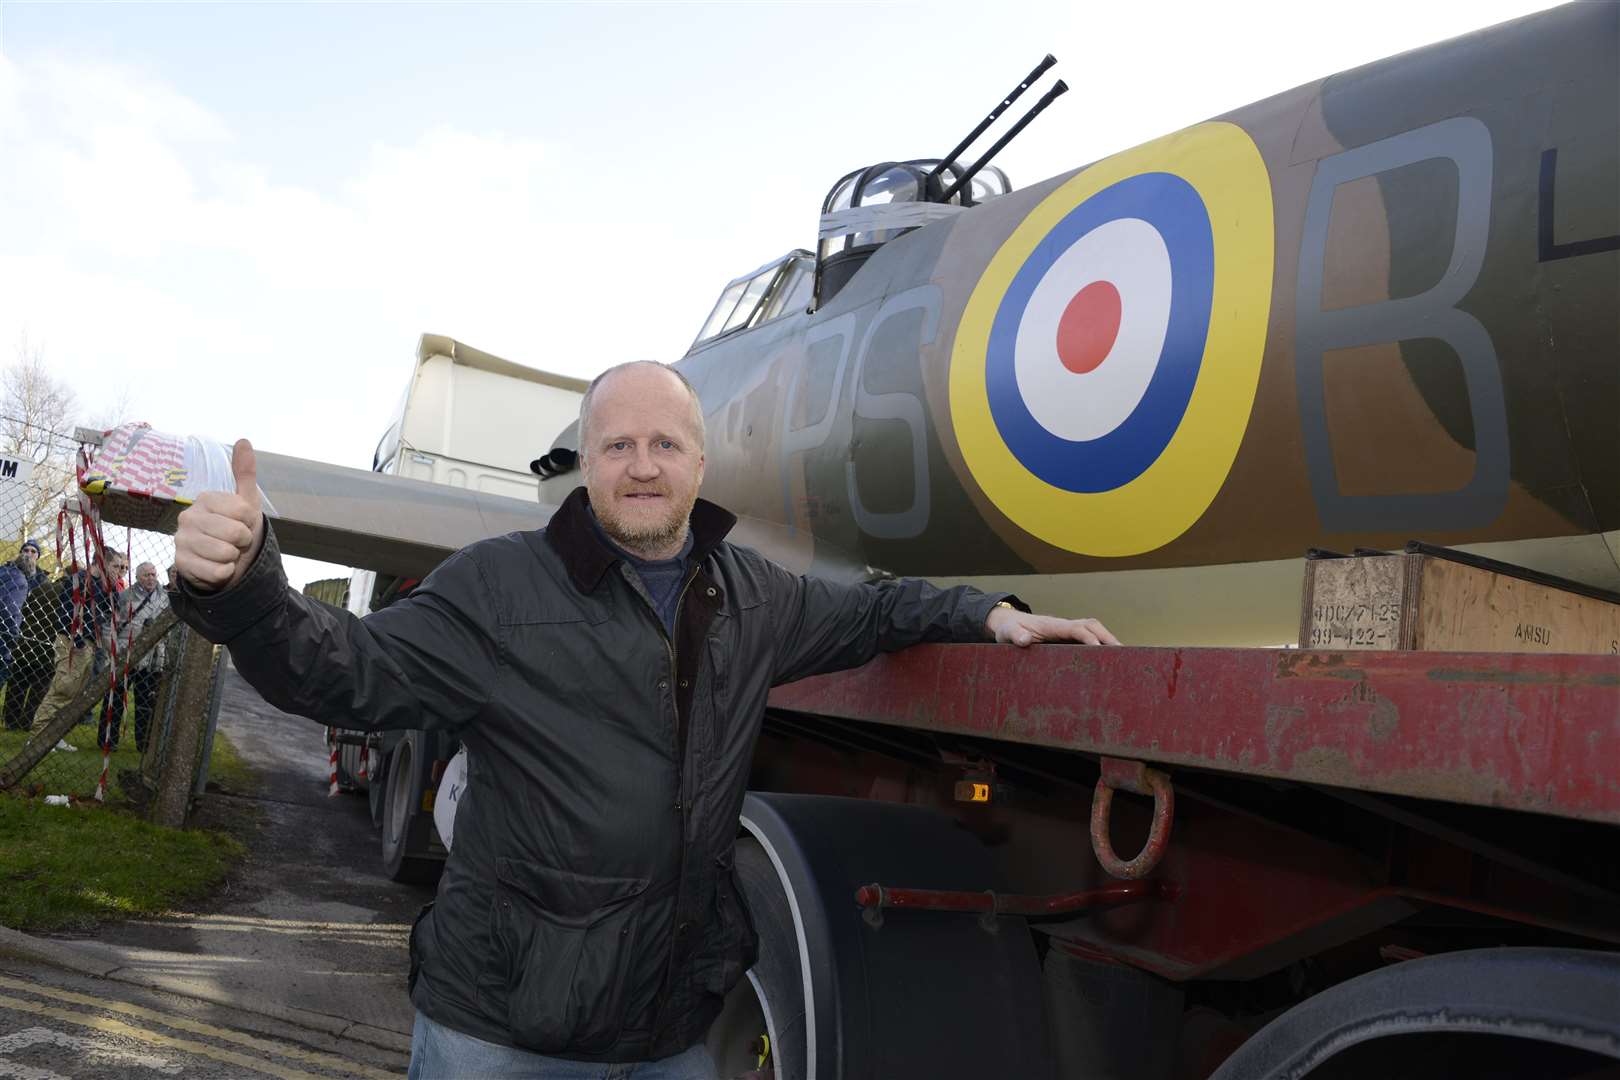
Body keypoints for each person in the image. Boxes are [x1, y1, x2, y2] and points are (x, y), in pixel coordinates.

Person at [170, 361, 1119, 1080]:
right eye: (618, 445)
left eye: (665, 445)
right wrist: (249, 587)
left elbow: (872, 612)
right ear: (587, 466)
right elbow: (346, 670)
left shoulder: (756, 598)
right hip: (499, 1034)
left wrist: (985, 613)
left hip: (666, 1039)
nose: (642, 466)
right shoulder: (498, 586)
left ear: (700, 463)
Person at [32, 548, 127, 750]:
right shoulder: (79, 581)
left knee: (73, 693)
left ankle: (53, 735)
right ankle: (38, 737)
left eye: (121, 567)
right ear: (101, 563)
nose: (119, 571)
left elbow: (114, 612)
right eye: (115, 566)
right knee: (63, 689)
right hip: (72, 642)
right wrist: (77, 642)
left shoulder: (105, 587)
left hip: (89, 645)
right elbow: (66, 614)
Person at [103, 561, 168, 751]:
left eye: (153, 574)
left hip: (152, 659)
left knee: (146, 703)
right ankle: (108, 740)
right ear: (138, 577)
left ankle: (144, 744)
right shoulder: (125, 596)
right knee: (114, 700)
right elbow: (108, 627)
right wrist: (114, 651)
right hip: (126, 655)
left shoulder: (165, 598)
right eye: (146, 575)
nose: (150, 578)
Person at [0, 539, 47, 696]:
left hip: (26, 630)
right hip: (10, 628)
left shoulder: (42, 579)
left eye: (33, 551)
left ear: (38, 556)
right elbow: (9, 608)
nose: (29, 553)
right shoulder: (10, 572)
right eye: (25, 550)